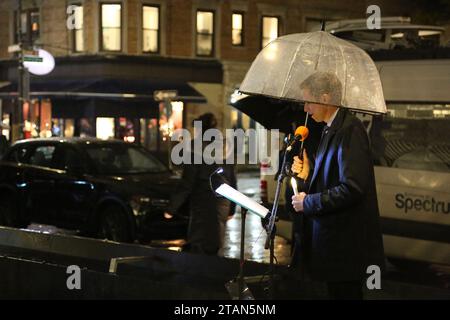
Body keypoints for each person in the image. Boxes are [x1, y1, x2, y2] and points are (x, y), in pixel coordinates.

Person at [290, 72, 385, 300]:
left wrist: (309, 202)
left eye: (308, 101)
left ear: (325, 98)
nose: (305, 109)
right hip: (334, 246)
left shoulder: (350, 130)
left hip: (346, 247)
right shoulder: (330, 128)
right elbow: (331, 179)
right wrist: (307, 174)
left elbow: (352, 187)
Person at [164, 112, 236, 255]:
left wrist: (171, 208)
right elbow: (232, 178)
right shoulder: (224, 146)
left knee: (200, 244)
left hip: (204, 203)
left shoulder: (195, 148)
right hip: (223, 202)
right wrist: (232, 208)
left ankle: (202, 275)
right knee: (215, 243)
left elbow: (187, 182)